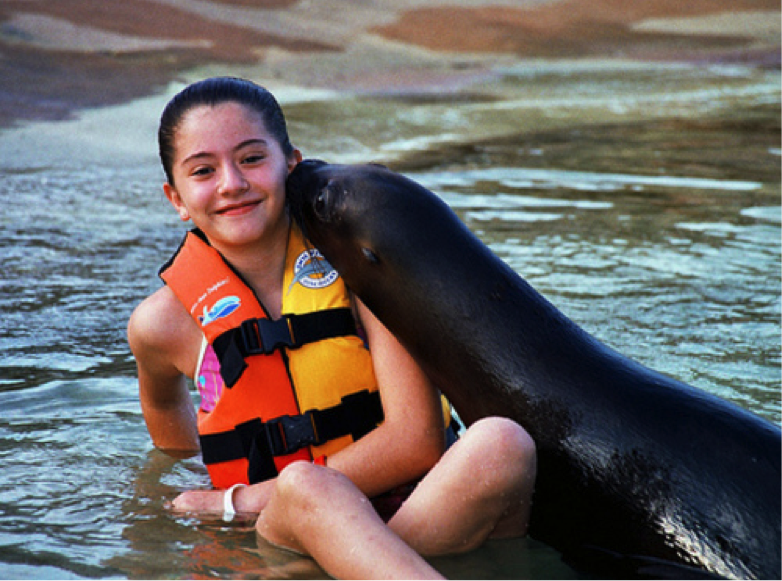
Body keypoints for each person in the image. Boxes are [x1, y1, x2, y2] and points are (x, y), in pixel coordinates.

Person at [127, 76, 537, 580]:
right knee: (307, 487)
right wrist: (192, 490)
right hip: (291, 526)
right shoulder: (160, 325)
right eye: (203, 171)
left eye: (252, 159)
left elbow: (416, 440)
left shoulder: (361, 270)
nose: (231, 183)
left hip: (418, 509)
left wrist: (237, 500)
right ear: (176, 197)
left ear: (291, 164)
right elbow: (168, 421)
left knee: (502, 443)